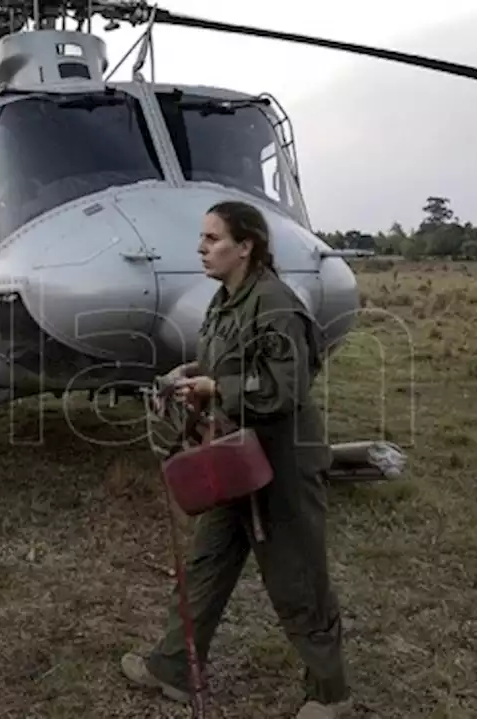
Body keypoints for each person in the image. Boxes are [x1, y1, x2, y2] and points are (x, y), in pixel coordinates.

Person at [121, 200, 353, 719]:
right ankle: (173, 668)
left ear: (245, 246)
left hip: (281, 462)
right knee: (207, 564)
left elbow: (282, 388)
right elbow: (222, 358)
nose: (201, 249)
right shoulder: (226, 300)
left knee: (296, 576)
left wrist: (214, 387)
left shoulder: (275, 304)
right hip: (232, 456)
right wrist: (188, 375)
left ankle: (328, 694)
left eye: (213, 239)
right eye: (201, 238)